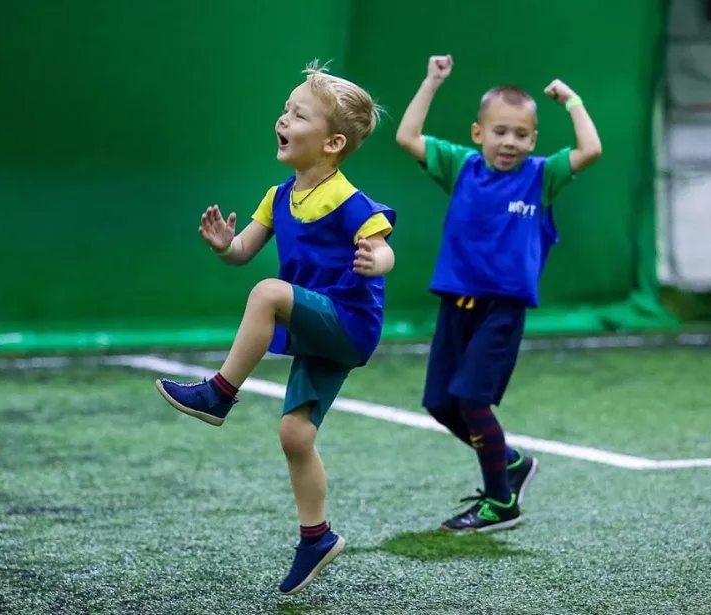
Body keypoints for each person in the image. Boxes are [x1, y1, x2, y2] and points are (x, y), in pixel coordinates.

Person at [155, 61, 396, 594]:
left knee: (269, 293)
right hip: (316, 322)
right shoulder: (278, 195)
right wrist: (225, 247)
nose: (282, 120)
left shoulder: (349, 201)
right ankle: (317, 537)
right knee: (295, 434)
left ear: (332, 143)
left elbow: (384, 251)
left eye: (297, 114)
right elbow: (245, 252)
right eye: (285, 110)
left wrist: (373, 262)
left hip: (349, 321)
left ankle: (218, 394)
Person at [395, 54, 602, 532]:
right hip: (455, 304)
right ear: (478, 133)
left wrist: (570, 100)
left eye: (522, 134)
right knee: (441, 404)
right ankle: (510, 462)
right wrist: (431, 82)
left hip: (501, 310)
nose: (510, 142)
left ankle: (501, 503)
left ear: (534, 140)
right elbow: (407, 137)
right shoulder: (460, 167)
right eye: (500, 131)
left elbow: (590, 149)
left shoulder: (540, 177)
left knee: (471, 398)